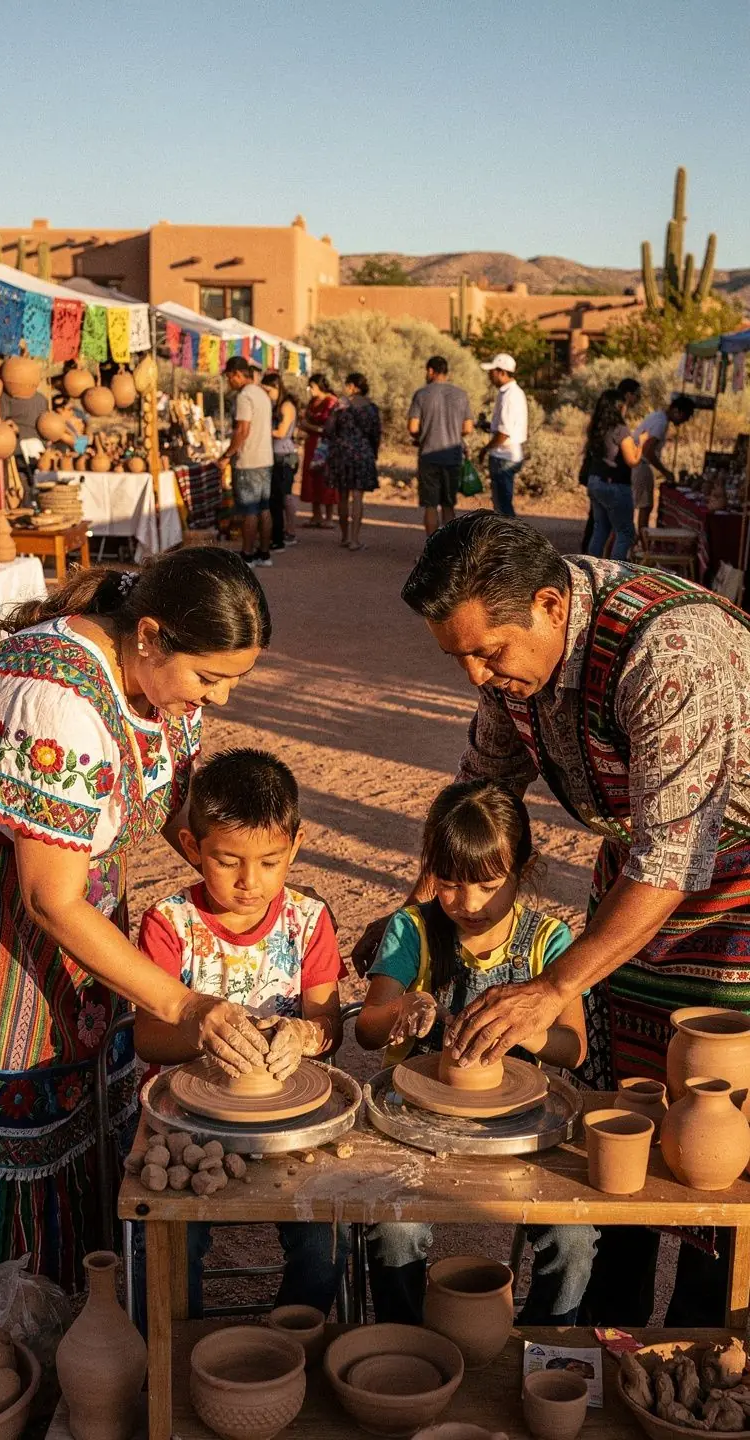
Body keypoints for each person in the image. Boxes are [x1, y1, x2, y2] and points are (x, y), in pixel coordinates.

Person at [383, 511, 750, 1327]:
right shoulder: (519, 668)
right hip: (643, 878)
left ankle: (702, 1345)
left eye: (488, 653)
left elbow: (672, 858)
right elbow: (481, 790)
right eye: (458, 657)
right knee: (622, 1115)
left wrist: (554, 984)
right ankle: (601, 1338)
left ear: (551, 606)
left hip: (738, 895)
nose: (475, 676)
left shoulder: (671, 651)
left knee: (711, 1140)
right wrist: (411, 915)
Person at [0, 549, 271, 1290]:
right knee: (11, 1099)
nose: (218, 700)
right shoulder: (56, 700)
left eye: (234, 682)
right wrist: (186, 1003)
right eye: (210, 679)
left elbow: (177, 814)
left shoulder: (157, 686)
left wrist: (261, 900)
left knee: (85, 1085)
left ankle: (76, 1295)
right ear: (148, 635)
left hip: (71, 890)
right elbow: (49, 899)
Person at [356, 779, 593, 1326]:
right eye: (450, 884)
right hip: (418, 1127)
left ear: (524, 871)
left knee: (574, 1238)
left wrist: (529, 1024)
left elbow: (573, 1048)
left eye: (488, 884)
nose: (469, 904)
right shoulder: (411, 930)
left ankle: (542, 1350)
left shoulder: (548, 941)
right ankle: (405, 1347)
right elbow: (367, 1030)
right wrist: (401, 1011)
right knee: (394, 1230)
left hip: (518, 1128)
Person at [135, 747, 348, 1317]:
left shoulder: (309, 921)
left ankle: (292, 1340)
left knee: (325, 1238)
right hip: (190, 1121)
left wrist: (304, 1036)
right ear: (192, 847)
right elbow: (148, 1040)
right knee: (171, 1240)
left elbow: (328, 1025)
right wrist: (206, 1034)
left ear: (295, 846)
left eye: (271, 861)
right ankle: (184, 1346)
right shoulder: (169, 924)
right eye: (228, 861)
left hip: (288, 1117)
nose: (250, 882)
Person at [408, 356, 473, 537]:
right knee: (448, 505)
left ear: (430, 371)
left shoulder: (421, 394)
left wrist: (422, 436)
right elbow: (467, 428)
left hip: (429, 455)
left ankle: (431, 551)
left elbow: (413, 427)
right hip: (452, 456)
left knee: (430, 505)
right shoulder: (461, 394)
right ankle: (449, 553)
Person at [219, 357, 274, 569]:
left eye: (229, 378)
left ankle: (248, 555)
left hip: (249, 461)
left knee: (249, 511)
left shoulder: (244, 396)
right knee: (264, 509)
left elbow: (243, 430)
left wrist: (227, 455)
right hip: (265, 459)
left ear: (237, 374)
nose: (229, 382)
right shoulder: (262, 394)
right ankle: (265, 553)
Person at [579, 379, 642, 553]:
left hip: (596, 481)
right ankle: (618, 575)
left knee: (600, 530)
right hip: (615, 484)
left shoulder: (597, 427)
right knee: (625, 533)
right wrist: (642, 444)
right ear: (619, 407)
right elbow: (632, 460)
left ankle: (591, 571)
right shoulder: (620, 429)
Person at [326, 373, 381, 552]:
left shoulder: (341, 405)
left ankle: (344, 536)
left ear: (352, 386)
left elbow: (329, 429)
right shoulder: (371, 407)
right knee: (357, 497)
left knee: (342, 495)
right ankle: (355, 540)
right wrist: (374, 452)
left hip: (341, 453)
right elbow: (376, 433)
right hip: (363, 453)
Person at [631, 395, 696, 536]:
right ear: (677, 411)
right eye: (684, 416)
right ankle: (643, 541)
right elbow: (648, 450)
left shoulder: (657, 416)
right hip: (641, 464)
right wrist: (665, 472)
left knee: (644, 505)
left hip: (637, 463)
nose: (683, 421)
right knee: (645, 506)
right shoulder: (661, 422)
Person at [478, 354, 528, 518]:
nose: (489, 375)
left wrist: (485, 449)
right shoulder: (510, 392)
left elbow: (504, 433)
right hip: (509, 454)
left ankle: (514, 541)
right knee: (502, 504)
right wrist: (489, 426)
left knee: (503, 508)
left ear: (501, 372)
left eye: (492, 371)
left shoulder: (509, 395)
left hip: (503, 456)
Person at [261, 372, 299, 551]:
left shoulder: (286, 407)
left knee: (283, 496)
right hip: (277, 454)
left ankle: (288, 531)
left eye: (268, 391)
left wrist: (261, 429)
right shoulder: (278, 405)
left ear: (276, 387)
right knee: (279, 496)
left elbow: (282, 432)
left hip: (284, 456)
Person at [300, 374, 338, 529]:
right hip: (311, 443)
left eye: (312, 386)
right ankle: (316, 515)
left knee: (326, 479)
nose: (310, 390)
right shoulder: (312, 402)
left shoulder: (332, 402)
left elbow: (330, 426)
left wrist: (310, 427)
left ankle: (329, 516)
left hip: (326, 445)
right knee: (312, 477)